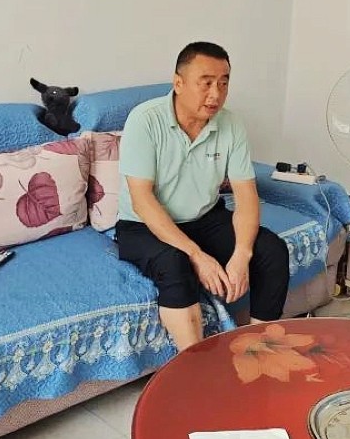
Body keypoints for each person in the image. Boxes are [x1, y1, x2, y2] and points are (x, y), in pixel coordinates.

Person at [115, 42, 290, 351]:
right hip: (143, 225)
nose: (215, 94)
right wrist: (197, 256)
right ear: (178, 83)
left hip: (205, 218)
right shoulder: (145, 120)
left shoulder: (231, 125)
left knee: (271, 250)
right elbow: (142, 201)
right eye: (206, 83)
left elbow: (246, 196)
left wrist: (242, 254)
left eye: (223, 83)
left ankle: (262, 351)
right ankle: (194, 366)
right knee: (176, 263)